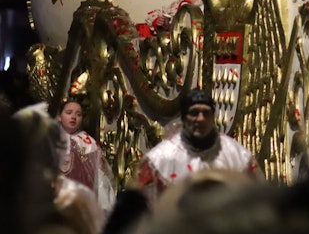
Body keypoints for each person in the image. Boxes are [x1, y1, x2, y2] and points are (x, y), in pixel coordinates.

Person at [134, 88, 263, 201]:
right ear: (184, 118)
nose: (200, 119)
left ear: (213, 117)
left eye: (206, 113)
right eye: (194, 113)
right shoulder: (160, 159)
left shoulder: (237, 155)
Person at [57, 97, 116, 219]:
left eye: (78, 114)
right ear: (59, 116)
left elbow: (101, 180)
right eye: (69, 112)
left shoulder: (89, 144)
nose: (73, 117)